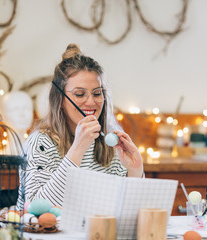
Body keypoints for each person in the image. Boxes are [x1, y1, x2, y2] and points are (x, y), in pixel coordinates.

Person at [16, 44, 144, 209]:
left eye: (97, 93)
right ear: (59, 99)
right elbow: (36, 209)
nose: (91, 102)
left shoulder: (112, 144)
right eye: (79, 94)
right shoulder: (40, 143)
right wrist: (78, 148)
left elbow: (128, 210)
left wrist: (135, 171)